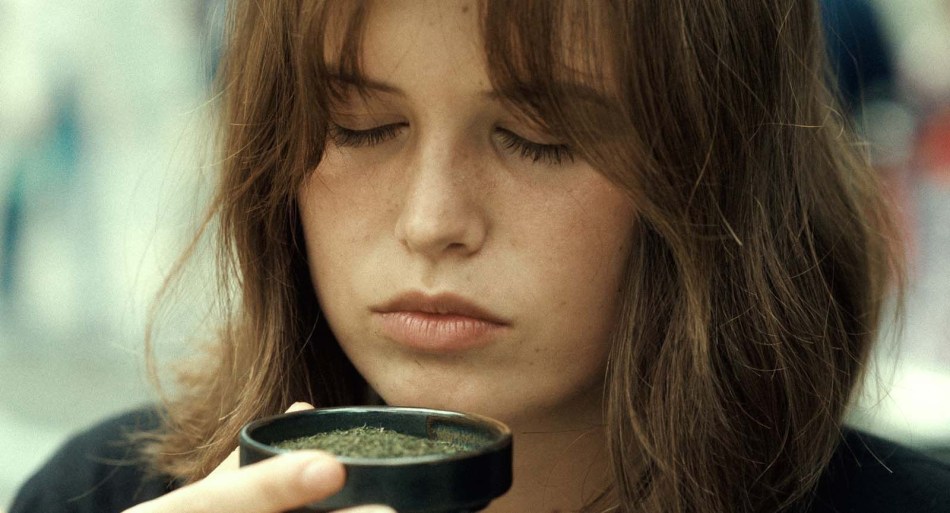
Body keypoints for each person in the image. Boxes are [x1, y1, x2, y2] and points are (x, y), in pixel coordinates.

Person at [10, 1, 950, 512]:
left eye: (538, 138)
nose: (431, 221)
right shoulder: (106, 493)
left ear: (714, 164)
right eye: (361, 127)